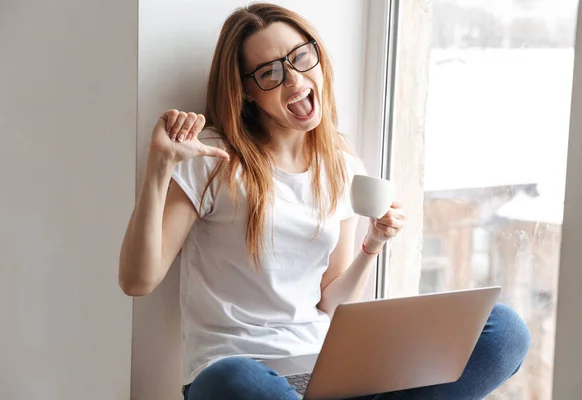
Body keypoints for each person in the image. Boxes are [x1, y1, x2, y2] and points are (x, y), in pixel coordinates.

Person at [118, 3, 530, 399]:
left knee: (504, 331)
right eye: (270, 73)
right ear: (247, 91)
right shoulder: (211, 157)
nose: (294, 80)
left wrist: (373, 245)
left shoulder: (342, 167)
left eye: (301, 57)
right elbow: (137, 281)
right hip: (240, 376)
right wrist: (160, 167)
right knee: (232, 376)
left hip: (327, 373)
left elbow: (330, 301)